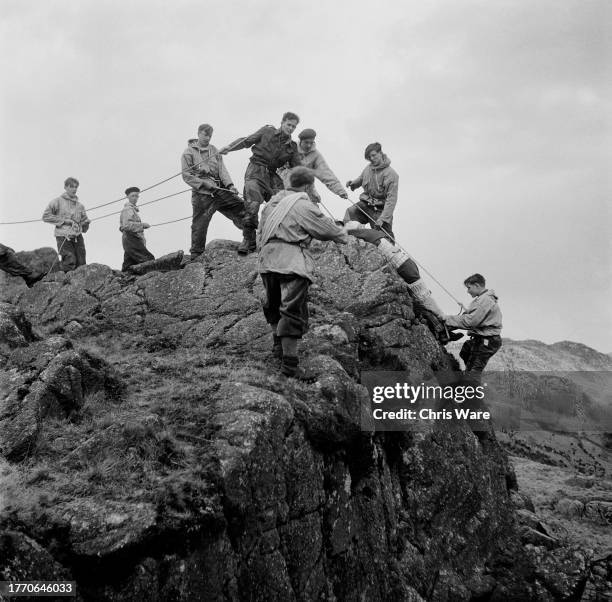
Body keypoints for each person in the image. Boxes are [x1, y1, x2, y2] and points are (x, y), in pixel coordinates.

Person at [257, 166, 349, 379]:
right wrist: (343, 231)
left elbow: (260, 232)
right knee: (291, 311)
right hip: (290, 263)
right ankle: (290, 366)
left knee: (273, 306)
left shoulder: (272, 202)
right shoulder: (302, 204)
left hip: (267, 260)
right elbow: (327, 230)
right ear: (308, 185)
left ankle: (278, 350)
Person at [220, 112, 302, 254]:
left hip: (271, 175)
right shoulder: (267, 131)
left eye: (293, 127)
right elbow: (246, 141)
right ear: (282, 122)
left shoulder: (292, 147)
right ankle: (248, 241)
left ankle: (279, 239)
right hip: (255, 170)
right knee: (252, 205)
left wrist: (306, 177)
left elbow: (298, 167)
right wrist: (229, 147)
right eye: (289, 124)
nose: (291, 128)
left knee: (284, 203)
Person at [181, 123, 246, 259]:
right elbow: (186, 176)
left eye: (210, 135)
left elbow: (222, 170)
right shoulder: (189, 152)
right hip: (202, 193)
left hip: (219, 189)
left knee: (241, 207)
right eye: (205, 134)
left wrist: (230, 185)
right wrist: (203, 184)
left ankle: (250, 240)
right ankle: (196, 254)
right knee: (200, 223)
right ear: (198, 133)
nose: (207, 138)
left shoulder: (214, 150)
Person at [445, 273, 503, 384]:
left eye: (469, 287)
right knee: (465, 351)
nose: (468, 291)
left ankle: (472, 395)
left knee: (473, 373)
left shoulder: (484, 301)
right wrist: (468, 312)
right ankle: (470, 380)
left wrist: (446, 319)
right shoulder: (484, 299)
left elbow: (470, 322)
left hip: (487, 341)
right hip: (485, 339)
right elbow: (478, 318)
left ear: (476, 285)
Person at [344, 142, 398, 241]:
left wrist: (383, 219)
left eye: (373, 155)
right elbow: (361, 178)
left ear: (380, 153)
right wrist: (353, 183)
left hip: (381, 211)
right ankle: (351, 239)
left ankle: (393, 254)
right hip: (366, 204)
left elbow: (391, 200)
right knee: (351, 212)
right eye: (369, 157)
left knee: (384, 238)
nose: (372, 159)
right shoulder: (368, 168)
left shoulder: (391, 174)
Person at [278, 128, 348, 204]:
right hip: (285, 186)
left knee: (312, 209)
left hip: (306, 188)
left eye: (311, 143)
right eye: (306, 142)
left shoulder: (315, 155)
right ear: (300, 141)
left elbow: (326, 173)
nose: (309, 145)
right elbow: (278, 168)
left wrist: (340, 191)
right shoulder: (290, 148)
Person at [42, 177, 90, 272]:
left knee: (81, 263)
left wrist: (86, 224)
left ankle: (79, 285)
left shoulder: (80, 206)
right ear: (65, 187)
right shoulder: (57, 202)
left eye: (76, 187)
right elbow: (46, 216)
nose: (74, 189)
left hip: (77, 236)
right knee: (70, 261)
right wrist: (65, 221)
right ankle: (66, 284)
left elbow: (84, 229)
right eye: (71, 186)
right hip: (63, 236)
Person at [119, 187, 155, 271]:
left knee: (129, 264)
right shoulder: (128, 209)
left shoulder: (133, 210)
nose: (135, 198)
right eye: (132, 196)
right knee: (148, 259)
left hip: (130, 238)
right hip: (131, 237)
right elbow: (127, 225)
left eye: (136, 196)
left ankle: (124, 280)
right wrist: (142, 225)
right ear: (127, 197)